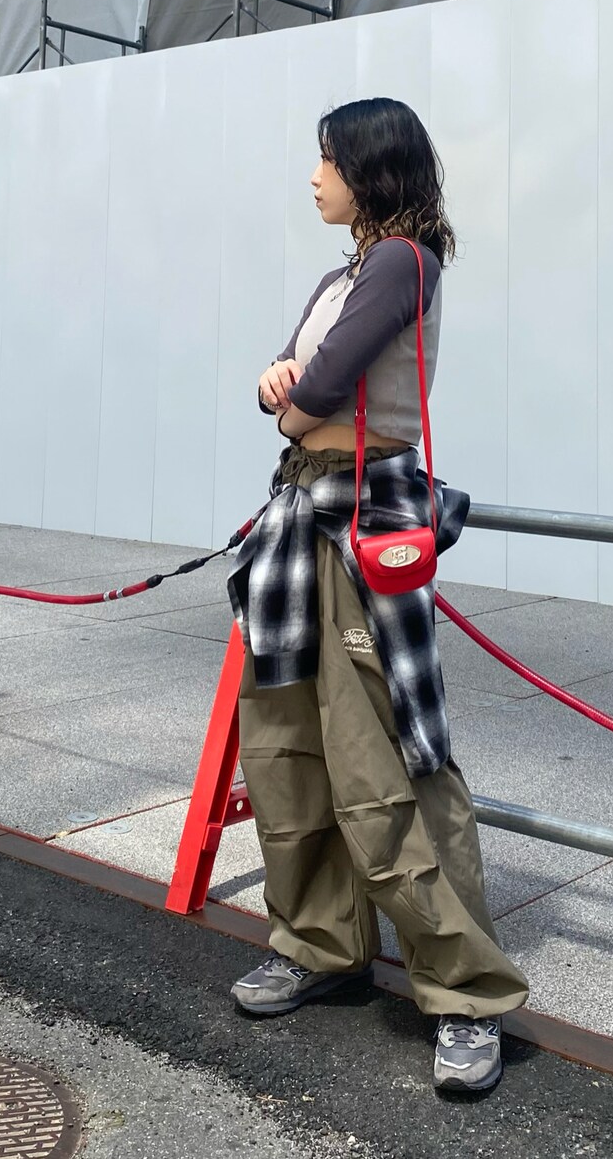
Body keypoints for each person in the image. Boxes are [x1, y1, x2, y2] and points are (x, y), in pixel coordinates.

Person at [226, 97, 529, 1093]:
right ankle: (319, 945)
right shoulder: (343, 273)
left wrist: (290, 393)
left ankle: (464, 992)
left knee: (386, 758)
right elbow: (278, 386)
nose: (313, 178)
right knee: (286, 750)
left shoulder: (401, 261)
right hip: (298, 519)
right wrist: (284, 388)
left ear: (370, 169)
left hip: (358, 521)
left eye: (327, 160)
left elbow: (310, 394)